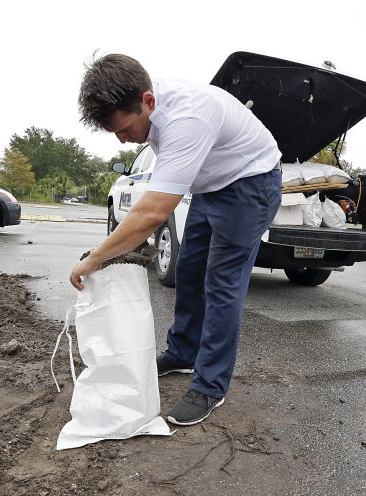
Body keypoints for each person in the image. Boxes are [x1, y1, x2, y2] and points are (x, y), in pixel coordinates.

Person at [70, 54, 281, 426]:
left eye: (124, 129)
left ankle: (210, 387)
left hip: (250, 183)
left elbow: (151, 214)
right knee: (188, 268)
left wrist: (96, 259)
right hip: (211, 185)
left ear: (148, 102)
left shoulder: (187, 119)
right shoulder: (145, 97)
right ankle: (183, 352)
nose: (122, 140)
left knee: (221, 282)